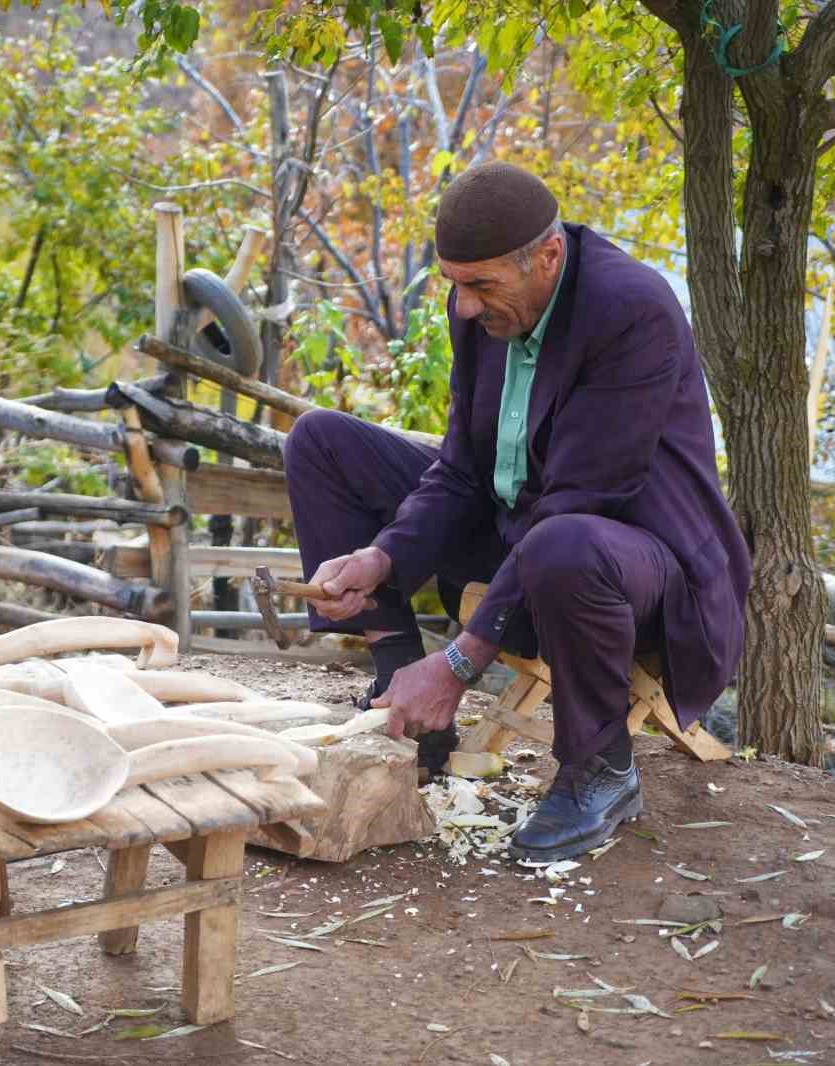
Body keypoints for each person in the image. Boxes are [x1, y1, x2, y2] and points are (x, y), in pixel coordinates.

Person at [282, 161, 750, 863]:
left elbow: (579, 501)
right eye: (455, 285)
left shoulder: (632, 311)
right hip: (526, 535)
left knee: (560, 543)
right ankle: (402, 700)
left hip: (643, 567)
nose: (464, 307)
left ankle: (602, 769)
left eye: (481, 285)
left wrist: (460, 663)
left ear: (549, 256)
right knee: (320, 441)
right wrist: (383, 558)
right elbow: (463, 470)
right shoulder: (483, 307)